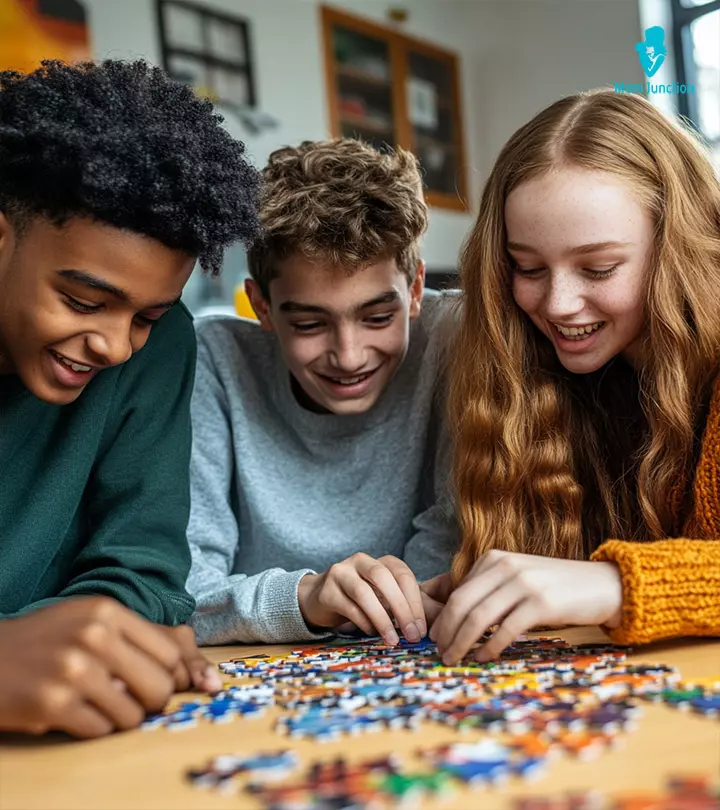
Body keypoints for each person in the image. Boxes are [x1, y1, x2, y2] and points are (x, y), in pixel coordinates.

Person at [0, 59, 260, 737]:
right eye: (85, 301)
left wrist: (118, 638)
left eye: (146, 314)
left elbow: (144, 567)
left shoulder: (162, 345)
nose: (116, 347)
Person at [424, 89, 720, 665]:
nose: (558, 304)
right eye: (527, 267)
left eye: (599, 268)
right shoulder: (541, 375)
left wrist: (615, 585)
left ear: (677, 248)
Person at [186, 138, 458, 647]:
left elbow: (451, 547)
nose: (349, 355)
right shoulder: (215, 363)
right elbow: (180, 592)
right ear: (262, 307)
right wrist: (307, 599)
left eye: (378, 317)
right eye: (310, 324)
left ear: (416, 290)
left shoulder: (455, 337)